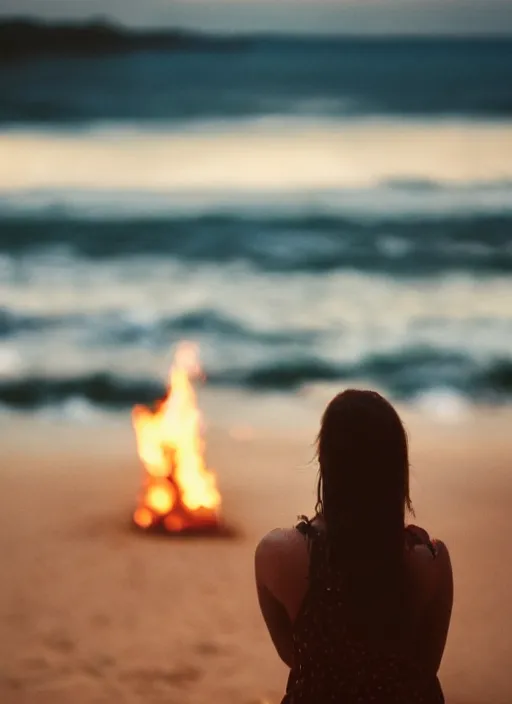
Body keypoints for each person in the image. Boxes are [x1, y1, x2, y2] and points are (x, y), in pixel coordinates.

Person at [255, 389, 453, 703]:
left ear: (325, 458)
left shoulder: (277, 554)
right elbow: (425, 667)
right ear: (397, 465)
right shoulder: (429, 560)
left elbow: (294, 655)